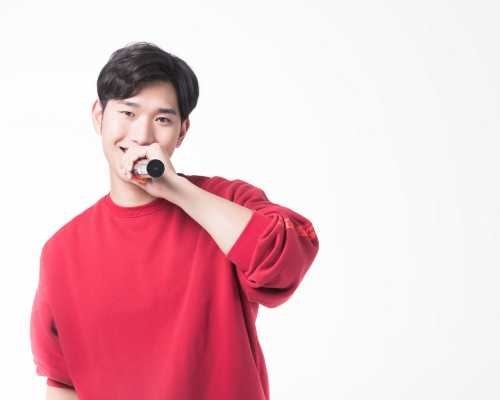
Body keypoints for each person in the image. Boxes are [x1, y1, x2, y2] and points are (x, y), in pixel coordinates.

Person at [29, 41, 320, 400]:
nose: (142, 135)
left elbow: (284, 261)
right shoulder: (62, 251)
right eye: (128, 113)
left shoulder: (226, 202)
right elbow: (63, 381)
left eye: (162, 119)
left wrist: (177, 190)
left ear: (182, 131)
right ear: (98, 116)